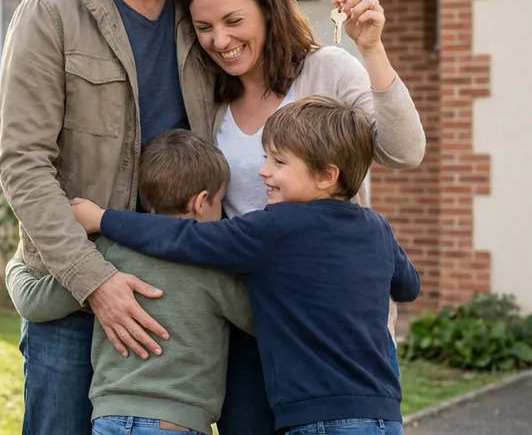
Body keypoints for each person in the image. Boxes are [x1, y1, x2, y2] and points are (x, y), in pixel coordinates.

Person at [0, 0, 223, 435]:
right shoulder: (51, 14)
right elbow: (24, 163)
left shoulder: (201, 13)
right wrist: (96, 284)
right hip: (72, 290)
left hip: (176, 292)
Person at [164, 0, 427, 416]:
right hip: (247, 325)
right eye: (204, 27)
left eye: (234, 21)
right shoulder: (207, 96)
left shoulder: (326, 70)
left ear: (268, 9)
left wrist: (372, 49)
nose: (220, 41)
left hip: (335, 334)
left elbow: (404, 151)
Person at [72, 94, 422, 435]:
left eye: (279, 162)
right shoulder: (377, 228)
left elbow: (184, 238)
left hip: (319, 417)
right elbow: (409, 285)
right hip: (383, 413)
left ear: (327, 175)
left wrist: (102, 219)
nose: (263, 170)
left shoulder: (275, 226)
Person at [4, 129, 254, 435]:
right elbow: (261, 318)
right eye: (221, 200)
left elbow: (34, 304)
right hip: (175, 424)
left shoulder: (105, 257)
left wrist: (16, 266)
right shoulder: (214, 268)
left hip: (110, 420)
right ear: (202, 202)